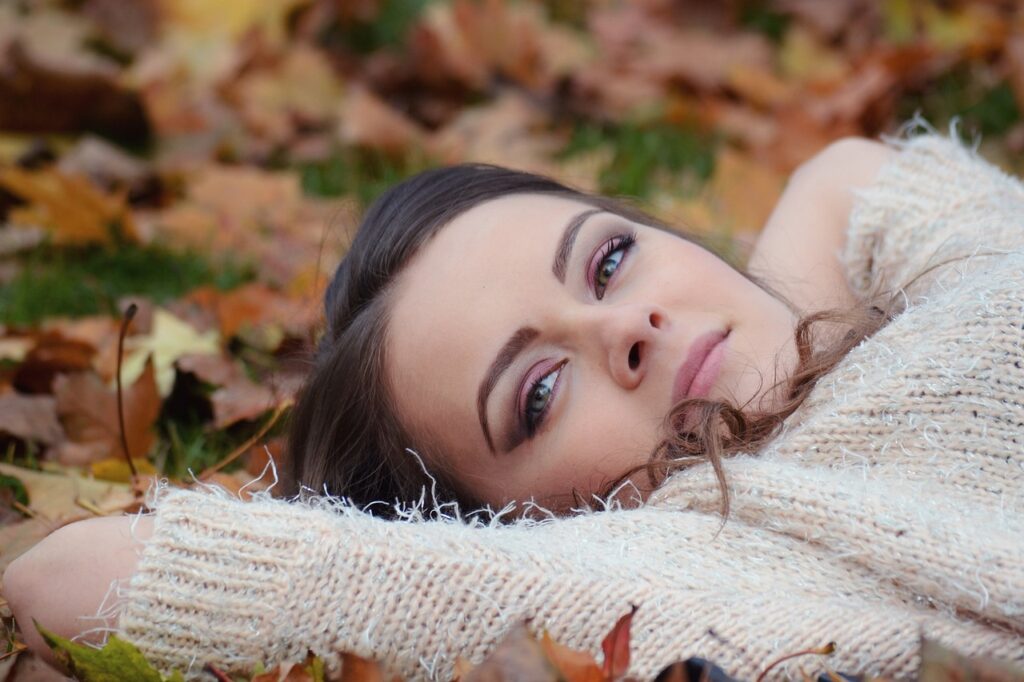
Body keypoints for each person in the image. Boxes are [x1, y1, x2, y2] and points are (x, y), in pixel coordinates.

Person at [4, 126, 1023, 681]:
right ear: (508, 531)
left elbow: (844, 175)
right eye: (537, 394)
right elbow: (68, 579)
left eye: (610, 257)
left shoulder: (938, 286)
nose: (626, 327)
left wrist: (801, 329)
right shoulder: (676, 572)